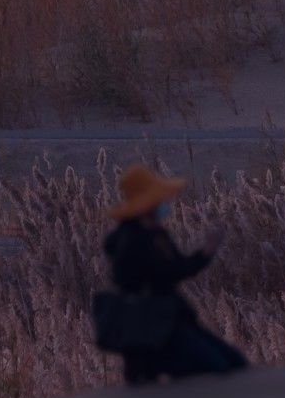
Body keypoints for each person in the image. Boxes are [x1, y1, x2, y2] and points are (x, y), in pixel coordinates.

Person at [102, 163, 248, 384]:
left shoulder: (156, 234)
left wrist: (205, 253)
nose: (163, 205)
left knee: (234, 362)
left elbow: (178, 267)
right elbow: (166, 273)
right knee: (217, 368)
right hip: (156, 325)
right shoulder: (130, 241)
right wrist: (205, 253)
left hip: (174, 317)